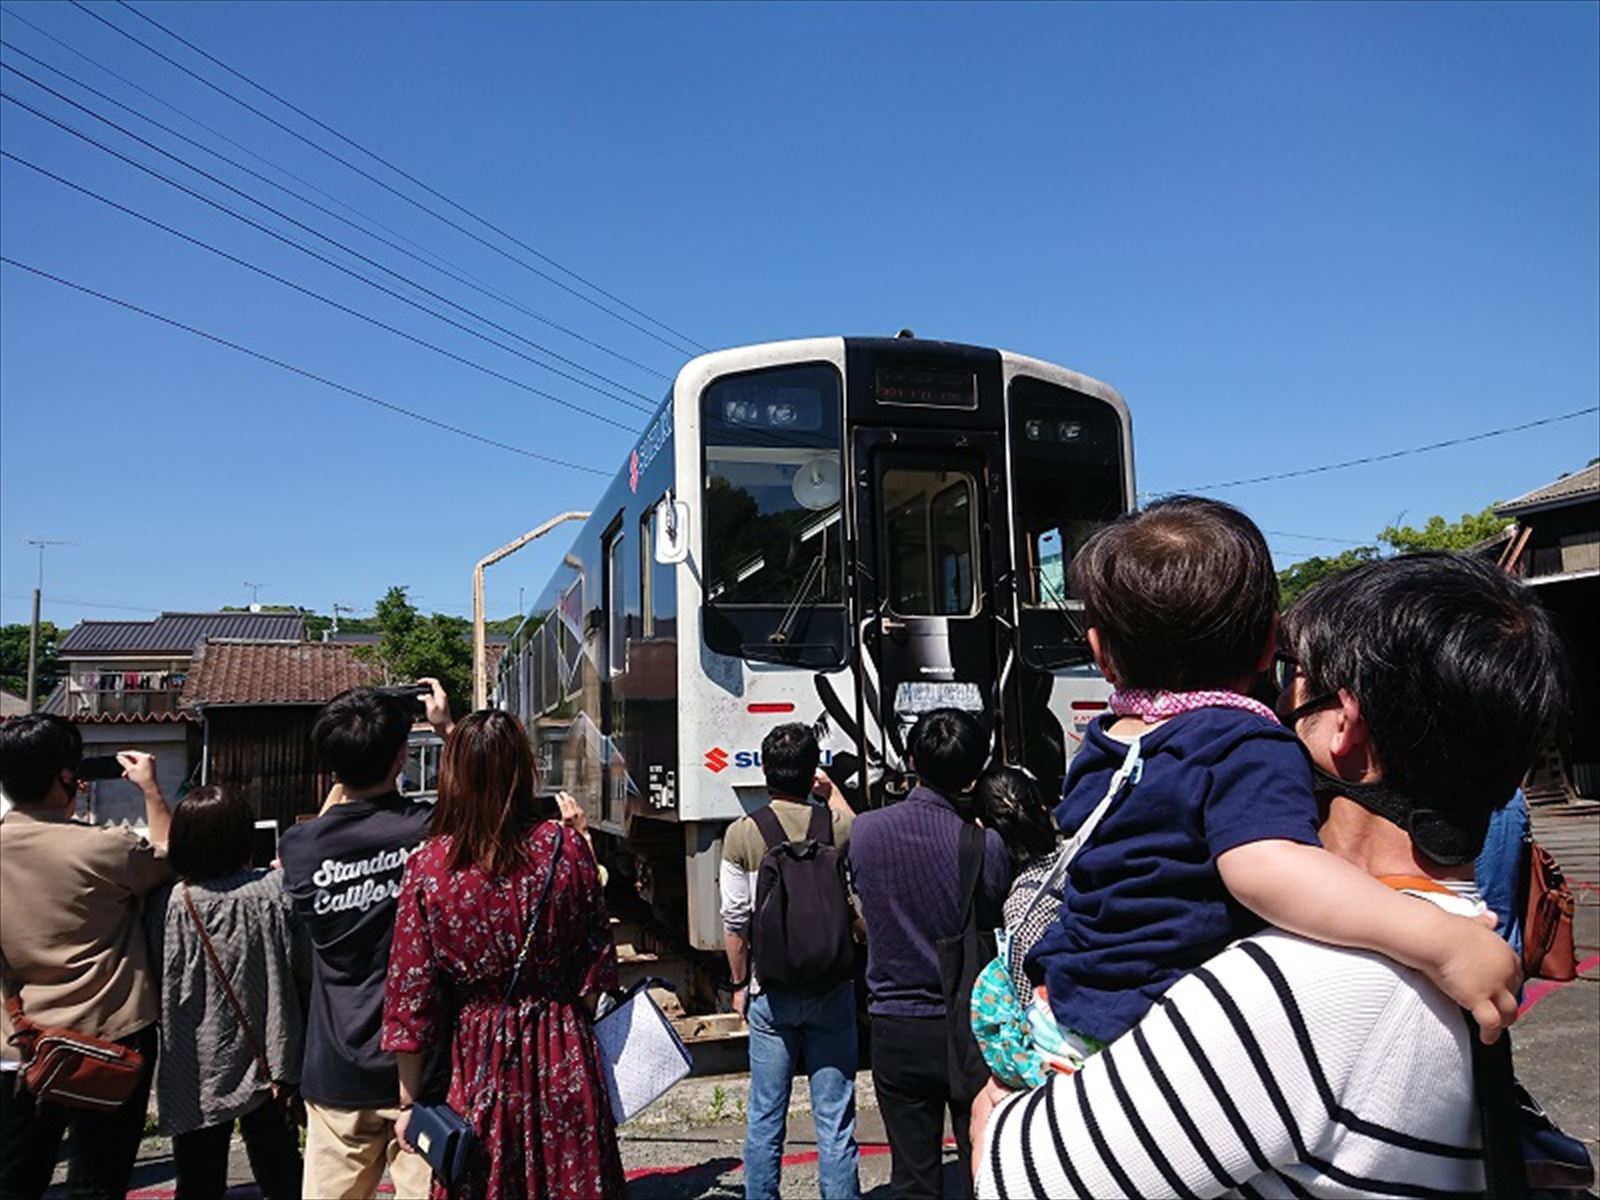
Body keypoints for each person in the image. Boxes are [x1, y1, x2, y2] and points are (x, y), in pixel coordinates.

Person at [974, 551, 1569, 1197]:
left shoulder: (1309, 983)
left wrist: (995, 1106)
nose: (1267, 698)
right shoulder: (1461, 931)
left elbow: (1015, 1178)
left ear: (1346, 723)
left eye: (1295, 676)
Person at [1017, 498, 1518, 1084]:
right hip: (1153, 1027)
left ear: (1101, 655)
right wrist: (1440, 941)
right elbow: (1268, 870)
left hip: (1074, 1001)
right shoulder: (1244, 744)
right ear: (1268, 644)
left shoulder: (1105, 744)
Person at [383, 709, 623, 1199]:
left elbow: (410, 996)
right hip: (562, 1046)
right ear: (524, 769)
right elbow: (598, 962)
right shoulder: (565, 847)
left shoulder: (428, 867)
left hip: (477, 1056)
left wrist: (408, 1102)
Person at [277, 682, 450, 1200]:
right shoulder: (431, 829)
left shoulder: (301, 848)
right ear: (402, 757)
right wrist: (445, 728)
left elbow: (332, 823)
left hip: (337, 1069)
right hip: (427, 1071)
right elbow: (489, 799)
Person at [0, 716, 174, 1200]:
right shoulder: (104, 847)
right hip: (107, 1040)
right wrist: (151, 791)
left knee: (15, 1179)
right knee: (98, 1180)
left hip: (17, 1044)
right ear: (64, 778)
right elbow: (172, 854)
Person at [849, 708, 1010, 1200]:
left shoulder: (866, 832)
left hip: (895, 1021)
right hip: (967, 1023)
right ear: (977, 770)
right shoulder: (986, 845)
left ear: (912, 759)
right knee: (981, 1159)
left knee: (913, 1174)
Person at [145, 786, 305, 1200]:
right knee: (284, 1174)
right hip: (270, 1058)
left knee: (197, 1181)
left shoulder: (164, 905)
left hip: (194, 1066)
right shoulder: (275, 891)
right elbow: (303, 962)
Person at [720, 723, 860, 1200]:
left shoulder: (742, 834)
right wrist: (833, 791)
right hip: (832, 987)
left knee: (765, 1116)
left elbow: (736, 922)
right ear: (812, 770)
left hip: (771, 992)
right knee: (835, 1118)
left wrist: (739, 983)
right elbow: (861, 847)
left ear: (765, 773)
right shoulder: (837, 826)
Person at [966, 768, 1066, 1090]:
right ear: (1044, 809)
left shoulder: (1021, 908)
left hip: (1062, 1056)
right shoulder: (1082, 859)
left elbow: (1031, 1012)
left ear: (983, 828)